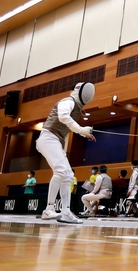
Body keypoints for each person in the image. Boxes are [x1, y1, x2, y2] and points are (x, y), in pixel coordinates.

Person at [36, 82, 96, 224]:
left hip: (56, 140)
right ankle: (48, 209)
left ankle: (66, 212)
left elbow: (68, 124)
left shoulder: (76, 107)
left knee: (68, 175)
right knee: (61, 171)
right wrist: (81, 129)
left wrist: (83, 133)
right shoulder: (68, 101)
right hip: (48, 137)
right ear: (80, 91)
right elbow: (63, 116)